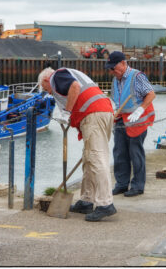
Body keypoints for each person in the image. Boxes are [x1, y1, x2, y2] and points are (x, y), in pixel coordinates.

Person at [38, 67, 116, 222]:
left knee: (96, 159)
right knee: (89, 160)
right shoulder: (68, 74)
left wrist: (66, 113)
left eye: (45, 88)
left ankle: (105, 203)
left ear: (46, 80)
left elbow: (74, 87)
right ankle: (87, 200)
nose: (48, 92)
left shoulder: (56, 77)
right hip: (100, 112)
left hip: (94, 114)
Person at [105, 51, 156, 197]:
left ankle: (138, 186)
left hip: (137, 121)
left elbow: (151, 94)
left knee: (136, 154)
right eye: (110, 69)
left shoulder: (137, 76)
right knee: (120, 153)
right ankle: (121, 184)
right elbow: (117, 100)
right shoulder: (116, 79)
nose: (112, 72)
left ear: (123, 63)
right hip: (121, 120)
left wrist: (140, 110)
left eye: (114, 68)